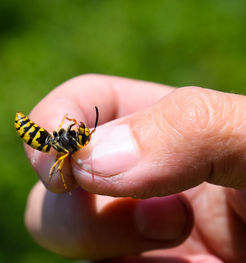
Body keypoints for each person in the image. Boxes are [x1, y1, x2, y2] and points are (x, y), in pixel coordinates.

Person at [23, 74, 246, 263]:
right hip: (43, 140)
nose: (86, 135)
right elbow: (65, 140)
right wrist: (59, 177)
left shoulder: (74, 142)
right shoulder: (64, 147)